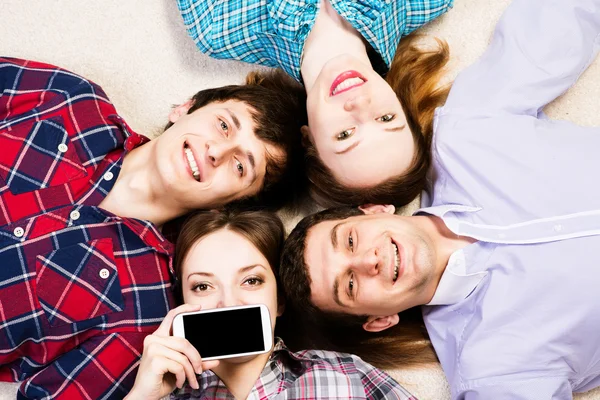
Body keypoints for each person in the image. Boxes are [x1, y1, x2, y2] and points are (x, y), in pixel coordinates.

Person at [280, 0, 600, 398]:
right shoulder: (491, 369)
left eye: (349, 240)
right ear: (380, 321)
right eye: (349, 284)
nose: (367, 261)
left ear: (374, 209)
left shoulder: (464, 135)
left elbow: (557, 23)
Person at [0, 57, 305, 399]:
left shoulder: (144, 318)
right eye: (223, 125)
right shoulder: (70, 98)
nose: (217, 151)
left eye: (239, 166)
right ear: (186, 107)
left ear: (229, 205)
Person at [176, 0, 453, 207]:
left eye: (345, 135)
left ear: (308, 139)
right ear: (400, 104)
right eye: (386, 118)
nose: (359, 103)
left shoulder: (219, 28)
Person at [124, 209, 416, 400]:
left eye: (251, 281)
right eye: (202, 286)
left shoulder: (345, 373)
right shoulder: (163, 395)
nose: (228, 303)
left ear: (279, 301)